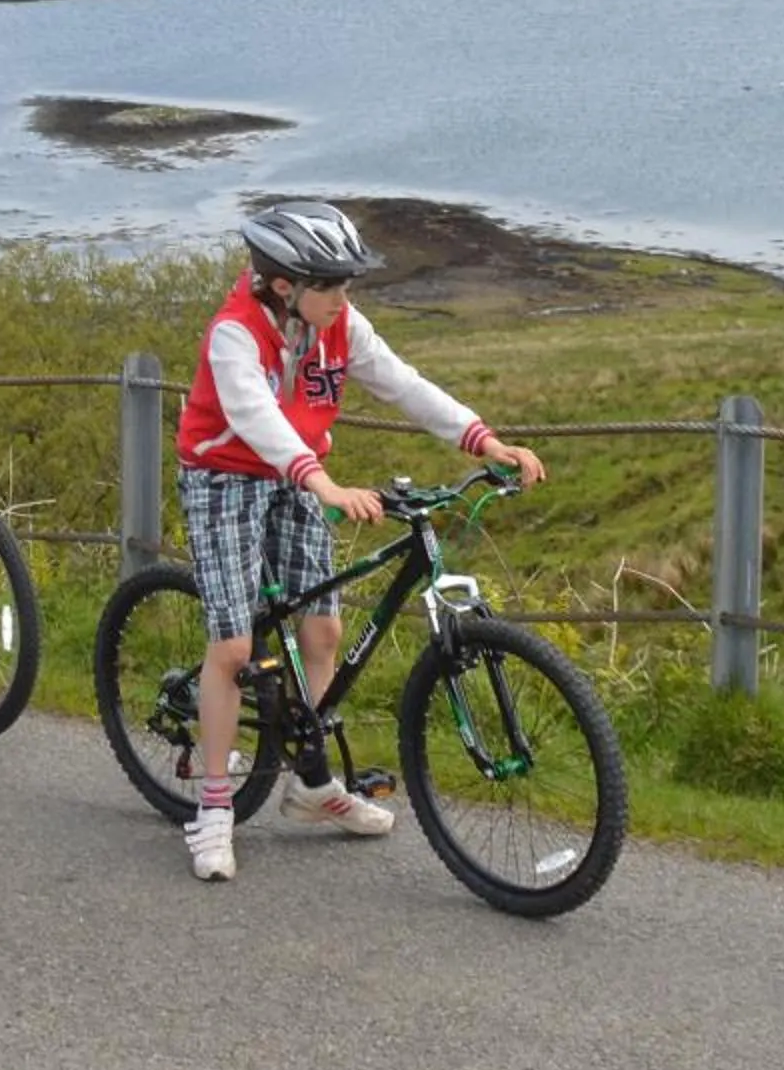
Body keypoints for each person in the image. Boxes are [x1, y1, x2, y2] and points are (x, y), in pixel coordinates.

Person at [170, 199, 545, 882]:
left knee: (322, 634)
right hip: (224, 476)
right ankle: (216, 808)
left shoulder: (339, 323)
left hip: (301, 475)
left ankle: (310, 785)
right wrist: (327, 485)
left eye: (347, 286)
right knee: (230, 647)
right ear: (286, 286)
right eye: (333, 286)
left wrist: (483, 439)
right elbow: (256, 419)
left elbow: (404, 385)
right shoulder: (235, 333)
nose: (345, 299)